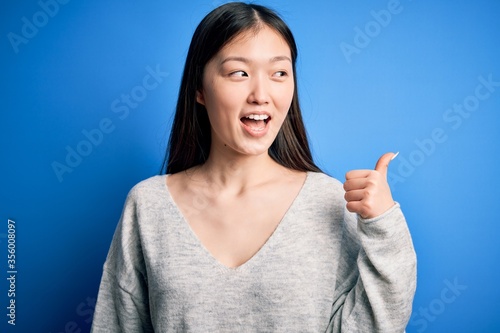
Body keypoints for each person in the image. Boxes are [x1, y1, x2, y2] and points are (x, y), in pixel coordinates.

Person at [91, 2, 416, 332]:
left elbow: (374, 325)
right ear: (200, 89)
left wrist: (384, 224)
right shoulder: (148, 206)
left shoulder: (329, 202)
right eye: (239, 73)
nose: (261, 95)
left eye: (279, 73)